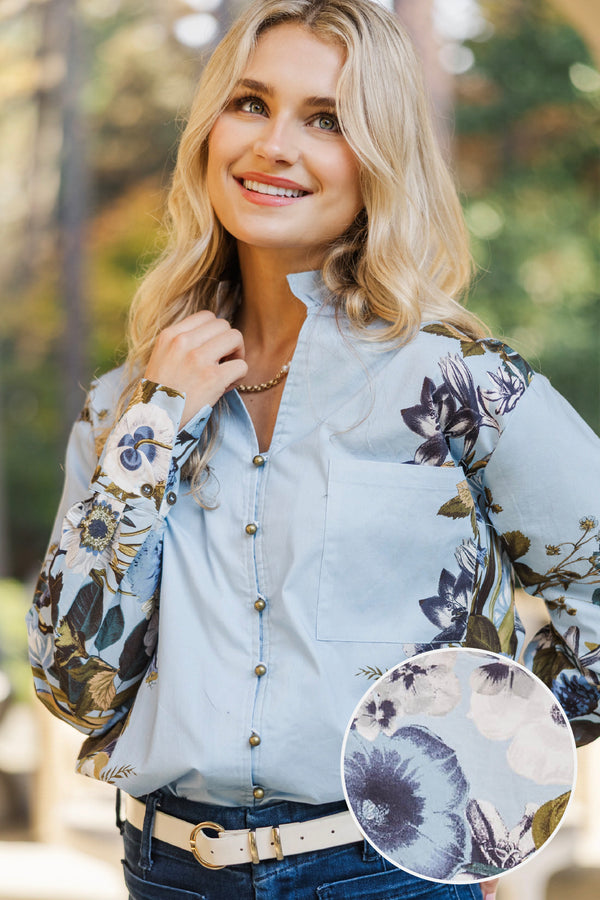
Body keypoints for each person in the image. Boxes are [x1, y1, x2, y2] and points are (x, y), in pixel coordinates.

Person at [26, 1, 600, 898]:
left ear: (380, 158)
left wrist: (491, 768)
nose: (274, 144)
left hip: (384, 875)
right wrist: (158, 420)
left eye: (326, 119)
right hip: (167, 871)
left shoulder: (455, 383)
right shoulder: (124, 405)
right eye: (251, 104)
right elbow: (74, 683)